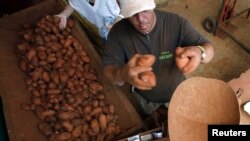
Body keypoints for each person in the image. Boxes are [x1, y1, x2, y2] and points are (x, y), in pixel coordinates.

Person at [102, 0, 214, 115]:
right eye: (133, 13)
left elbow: (209, 49)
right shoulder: (118, 33)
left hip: (178, 92)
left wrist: (200, 52)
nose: (141, 19)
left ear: (153, 5)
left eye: (145, 11)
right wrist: (122, 74)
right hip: (146, 99)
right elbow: (108, 72)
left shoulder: (176, 23)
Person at [55, 0, 124, 40]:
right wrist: (64, 14)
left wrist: (116, 22)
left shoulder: (107, 2)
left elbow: (125, 11)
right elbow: (74, 4)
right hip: (100, 30)